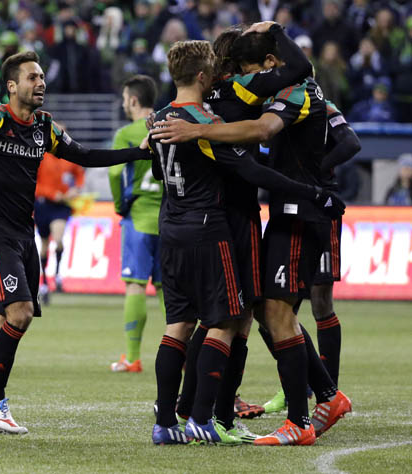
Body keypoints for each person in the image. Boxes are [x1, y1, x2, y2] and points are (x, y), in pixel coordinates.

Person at [0, 51, 151, 436]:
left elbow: (85, 155)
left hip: (23, 237)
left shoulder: (45, 127)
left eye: (42, 76)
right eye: (32, 77)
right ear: (12, 86)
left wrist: (138, 152)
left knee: (4, 320)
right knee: (21, 311)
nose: (41, 82)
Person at [151, 30, 352, 445]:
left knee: (240, 316)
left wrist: (316, 186)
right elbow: (256, 147)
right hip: (229, 216)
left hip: (228, 217)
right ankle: (207, 413)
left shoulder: (198, 105)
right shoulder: (233, 94)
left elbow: (268, 133)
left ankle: (205, 414)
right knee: (242, 315)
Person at [173, 21, 314, 434]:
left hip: (198, 213)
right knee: (238, 320)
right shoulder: (241, 90)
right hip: (238, 213)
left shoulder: (189, 102)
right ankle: (213, 417)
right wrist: (278, 30)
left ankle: (185, 409)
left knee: (212, 318)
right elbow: (298, 71)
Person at [263, 99, 361, 413]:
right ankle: (298, 385)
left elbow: (350, 143)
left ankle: (327, 389)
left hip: (320, 207)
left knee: (319, 301)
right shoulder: (273, 107)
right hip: (288, 205)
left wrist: (314, 170)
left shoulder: (320, 105)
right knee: (277, 307)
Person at [108, 74, 163, 374]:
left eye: (124, 99)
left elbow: (115, 175)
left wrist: (119, 205)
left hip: (139, 217)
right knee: (169, 291)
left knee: (135, 286)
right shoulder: (168, 126)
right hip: (168, 219)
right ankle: (180, 356)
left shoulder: (126, 133)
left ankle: (132, 357)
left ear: (133, 100)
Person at [34, 130, 85, 303]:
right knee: (44, 243)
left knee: (59, 237)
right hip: (43, 204)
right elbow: (35, 183)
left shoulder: (68, 157)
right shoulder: (41, 156)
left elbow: (79, 174)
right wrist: (52, 193)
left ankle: (56, 275)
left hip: (61, 206)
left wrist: (76, 189)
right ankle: (45, 282)